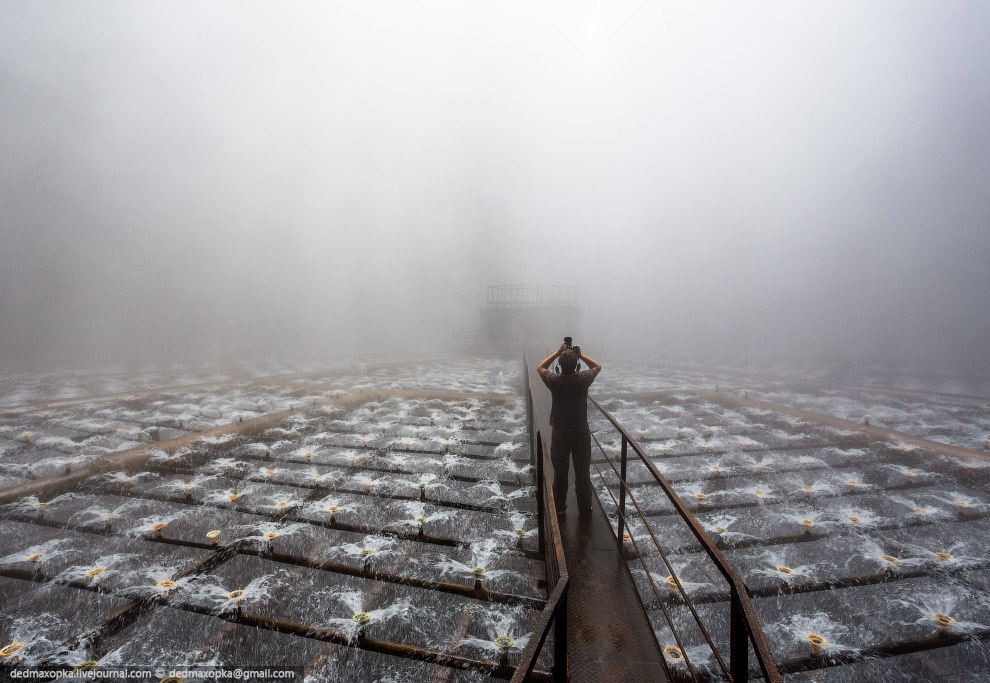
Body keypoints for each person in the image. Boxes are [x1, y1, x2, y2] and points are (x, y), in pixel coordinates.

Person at [536, 341, 602, 516]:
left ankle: (559, 509)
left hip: (560, 432)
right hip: (581, 431)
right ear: (576, 364)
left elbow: (540, 367)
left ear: (559, 364)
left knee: (560, 472)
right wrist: (581, 355)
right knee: (582, 472)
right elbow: (597, 366)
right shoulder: (583, 379)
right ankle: (585, 508)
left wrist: (557, 353)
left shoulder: (554, 380)